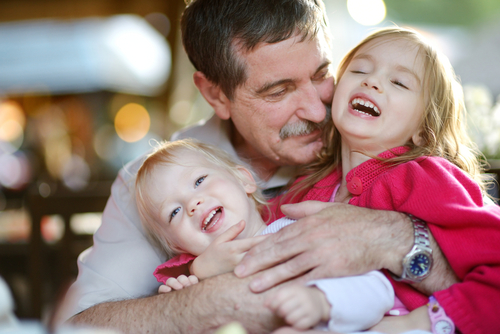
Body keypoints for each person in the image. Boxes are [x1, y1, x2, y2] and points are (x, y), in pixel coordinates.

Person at [64, 1, 458, 332]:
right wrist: (217, 295)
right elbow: (82, 324)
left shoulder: (380, 137)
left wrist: (398, 239)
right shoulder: (155, 184)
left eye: (321, 73)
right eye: (280, 90)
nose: (317, 109)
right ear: (215, 94)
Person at [258, 27, 500, 334]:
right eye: (359, 69)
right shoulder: (308, 185)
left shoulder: (425, 178)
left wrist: (426, 320)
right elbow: (252, 237)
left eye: (399, 82)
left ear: (423, 130)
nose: (371, 81)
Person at [134, 138, 395, 332]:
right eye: (174, 211)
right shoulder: (196, 286)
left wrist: (322, 301)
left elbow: (379, 289)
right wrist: (187, 302)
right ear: (175, 244)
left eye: (199, 181)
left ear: (244, 180)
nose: (193, 204)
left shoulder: (298, 229)